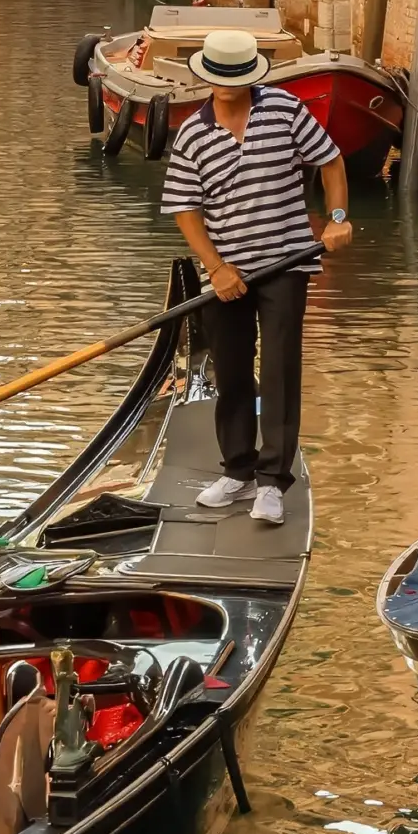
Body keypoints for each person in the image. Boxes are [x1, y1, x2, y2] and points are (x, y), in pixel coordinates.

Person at [159, 28, 349, 527]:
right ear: (206, 77)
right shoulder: (192, 134)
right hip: (227, 272)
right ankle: (238, 470)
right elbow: (186, 210)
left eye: (235, 76)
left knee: (281, 369)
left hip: (287, 262)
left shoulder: (285, 110)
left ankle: (273, 482)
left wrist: (336, 217)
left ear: (251, 76)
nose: (226, 85)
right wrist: (218, 269)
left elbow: (330, 160)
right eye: (219, 77)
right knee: (232, 370)